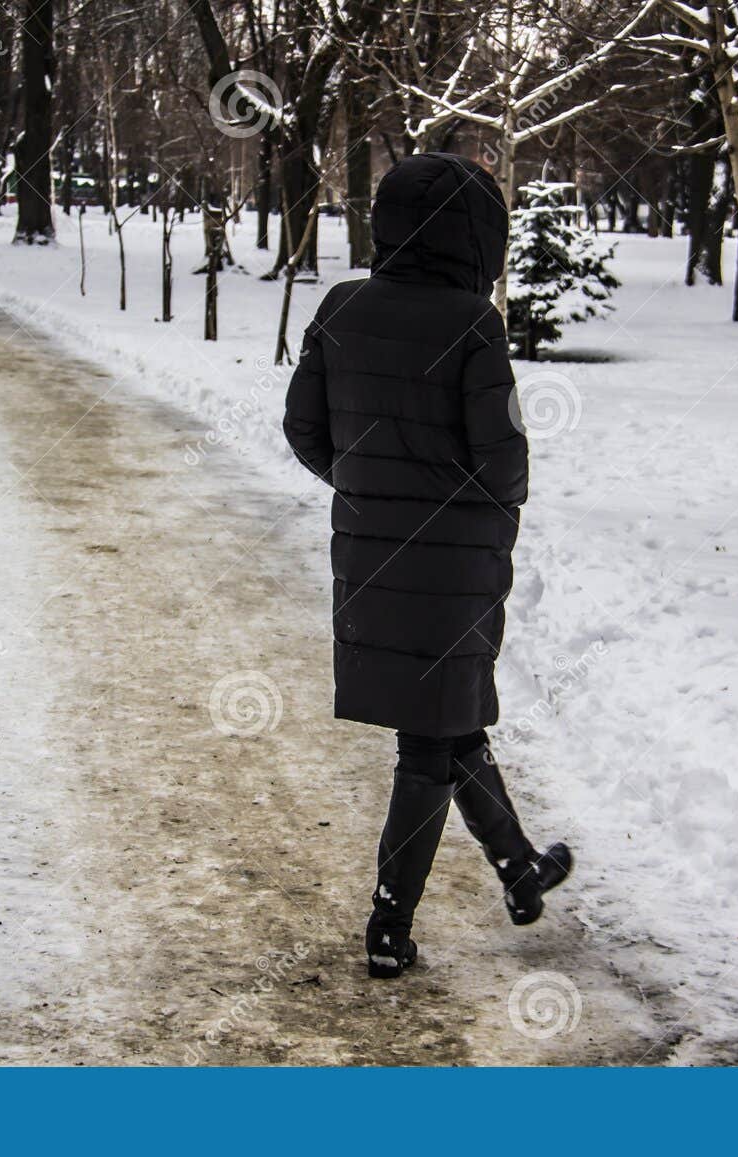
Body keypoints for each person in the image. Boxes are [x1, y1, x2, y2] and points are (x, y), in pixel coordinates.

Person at [283, 152, 572, 980]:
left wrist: (373, 485)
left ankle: (519, 869)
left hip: (371, 556)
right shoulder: (474, 324)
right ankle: (388, 925)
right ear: (480, 236)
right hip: (455, 568)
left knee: (445, 726)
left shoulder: (341, 306)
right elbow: (505, 462)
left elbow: (304, 429)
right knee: (428, 740)